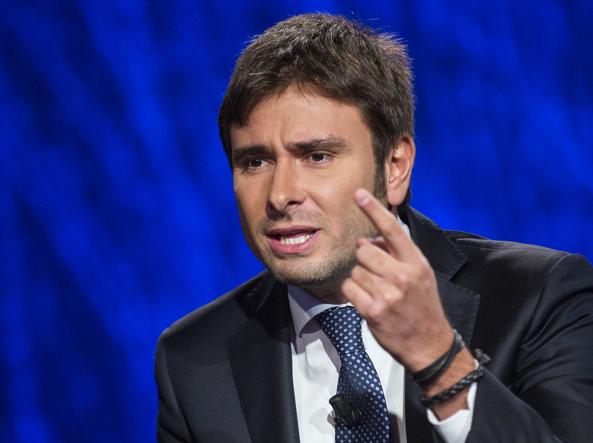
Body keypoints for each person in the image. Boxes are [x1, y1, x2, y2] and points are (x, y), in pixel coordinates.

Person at [155, 13, 593, 443]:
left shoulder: (539, 297)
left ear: (394, 167)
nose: (280, 194)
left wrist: (439, 359)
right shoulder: (192, 360)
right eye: (255, 162)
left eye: (317, 156)